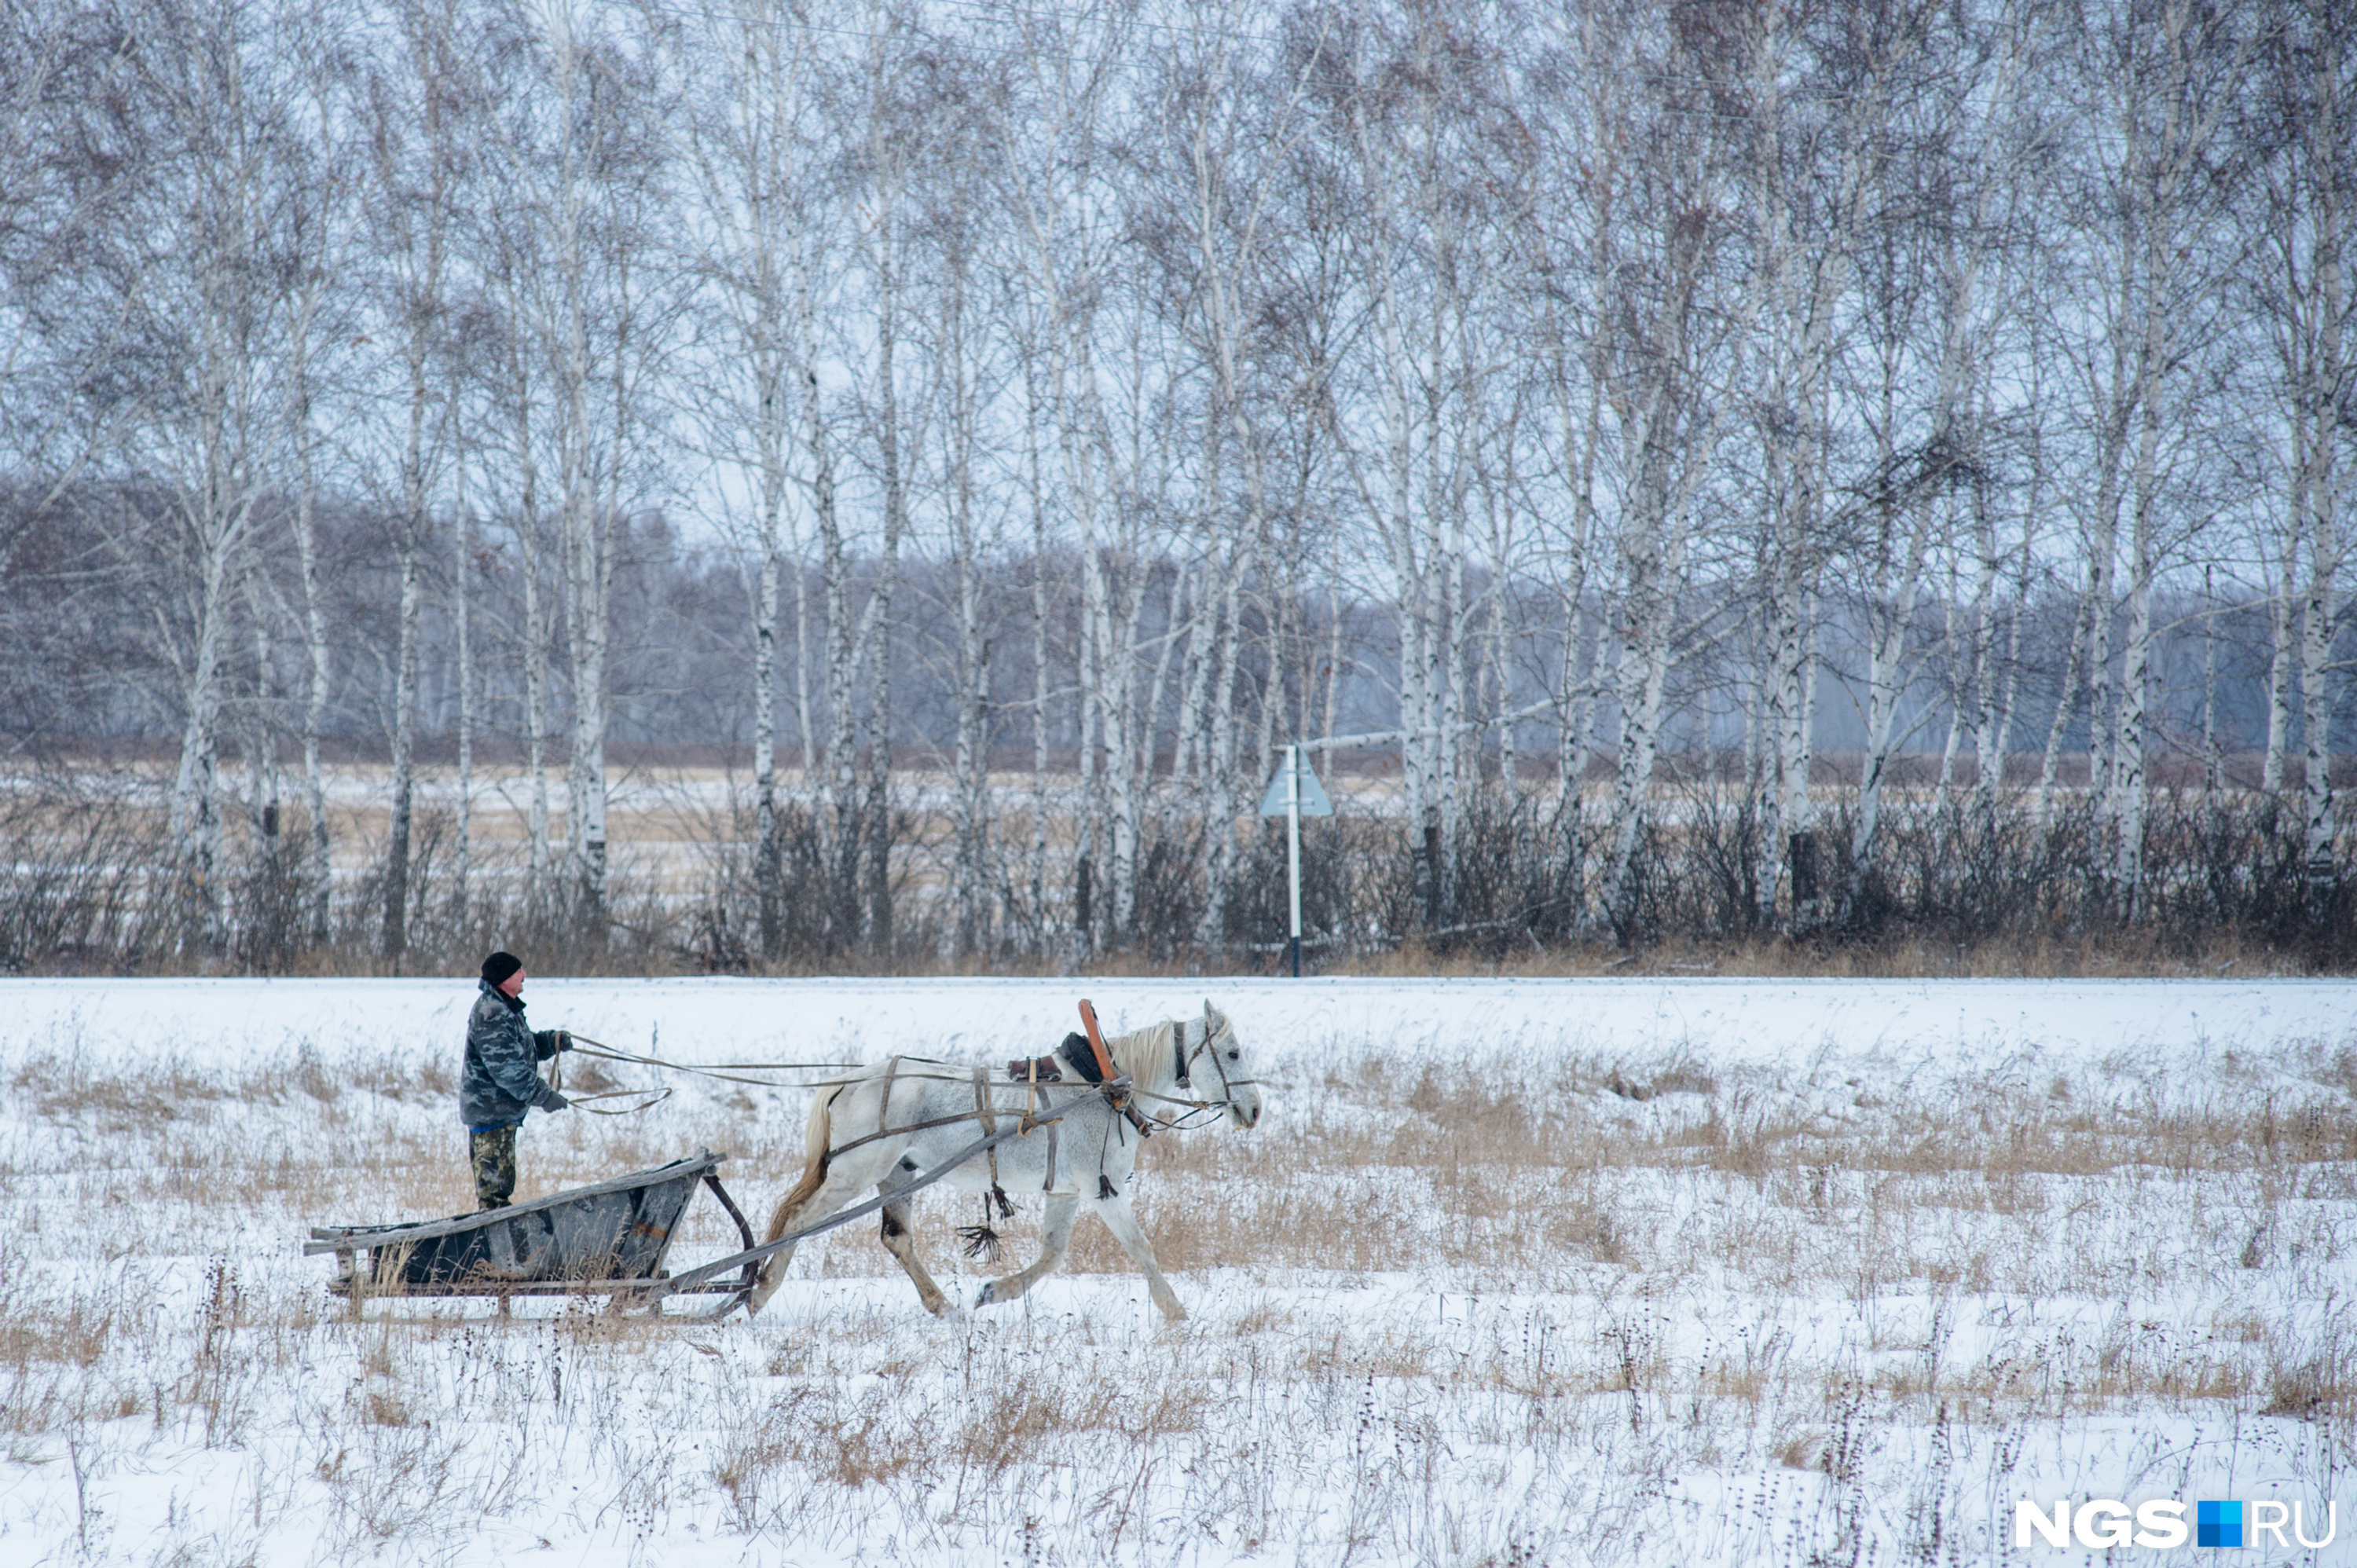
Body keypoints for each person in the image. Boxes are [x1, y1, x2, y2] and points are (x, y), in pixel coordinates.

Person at [460, 951, 570, 1210]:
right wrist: (545, 1096)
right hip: (491, 1118)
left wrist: (549, 1042)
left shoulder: (504, 1006)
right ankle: (490, 1247)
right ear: (503, 978)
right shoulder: (492, 1013)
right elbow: (508, 1070)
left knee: (498, 1196)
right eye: (518, 971)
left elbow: (520, 1046)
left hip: (498, 1116)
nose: (524, 975)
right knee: (494, 1201)